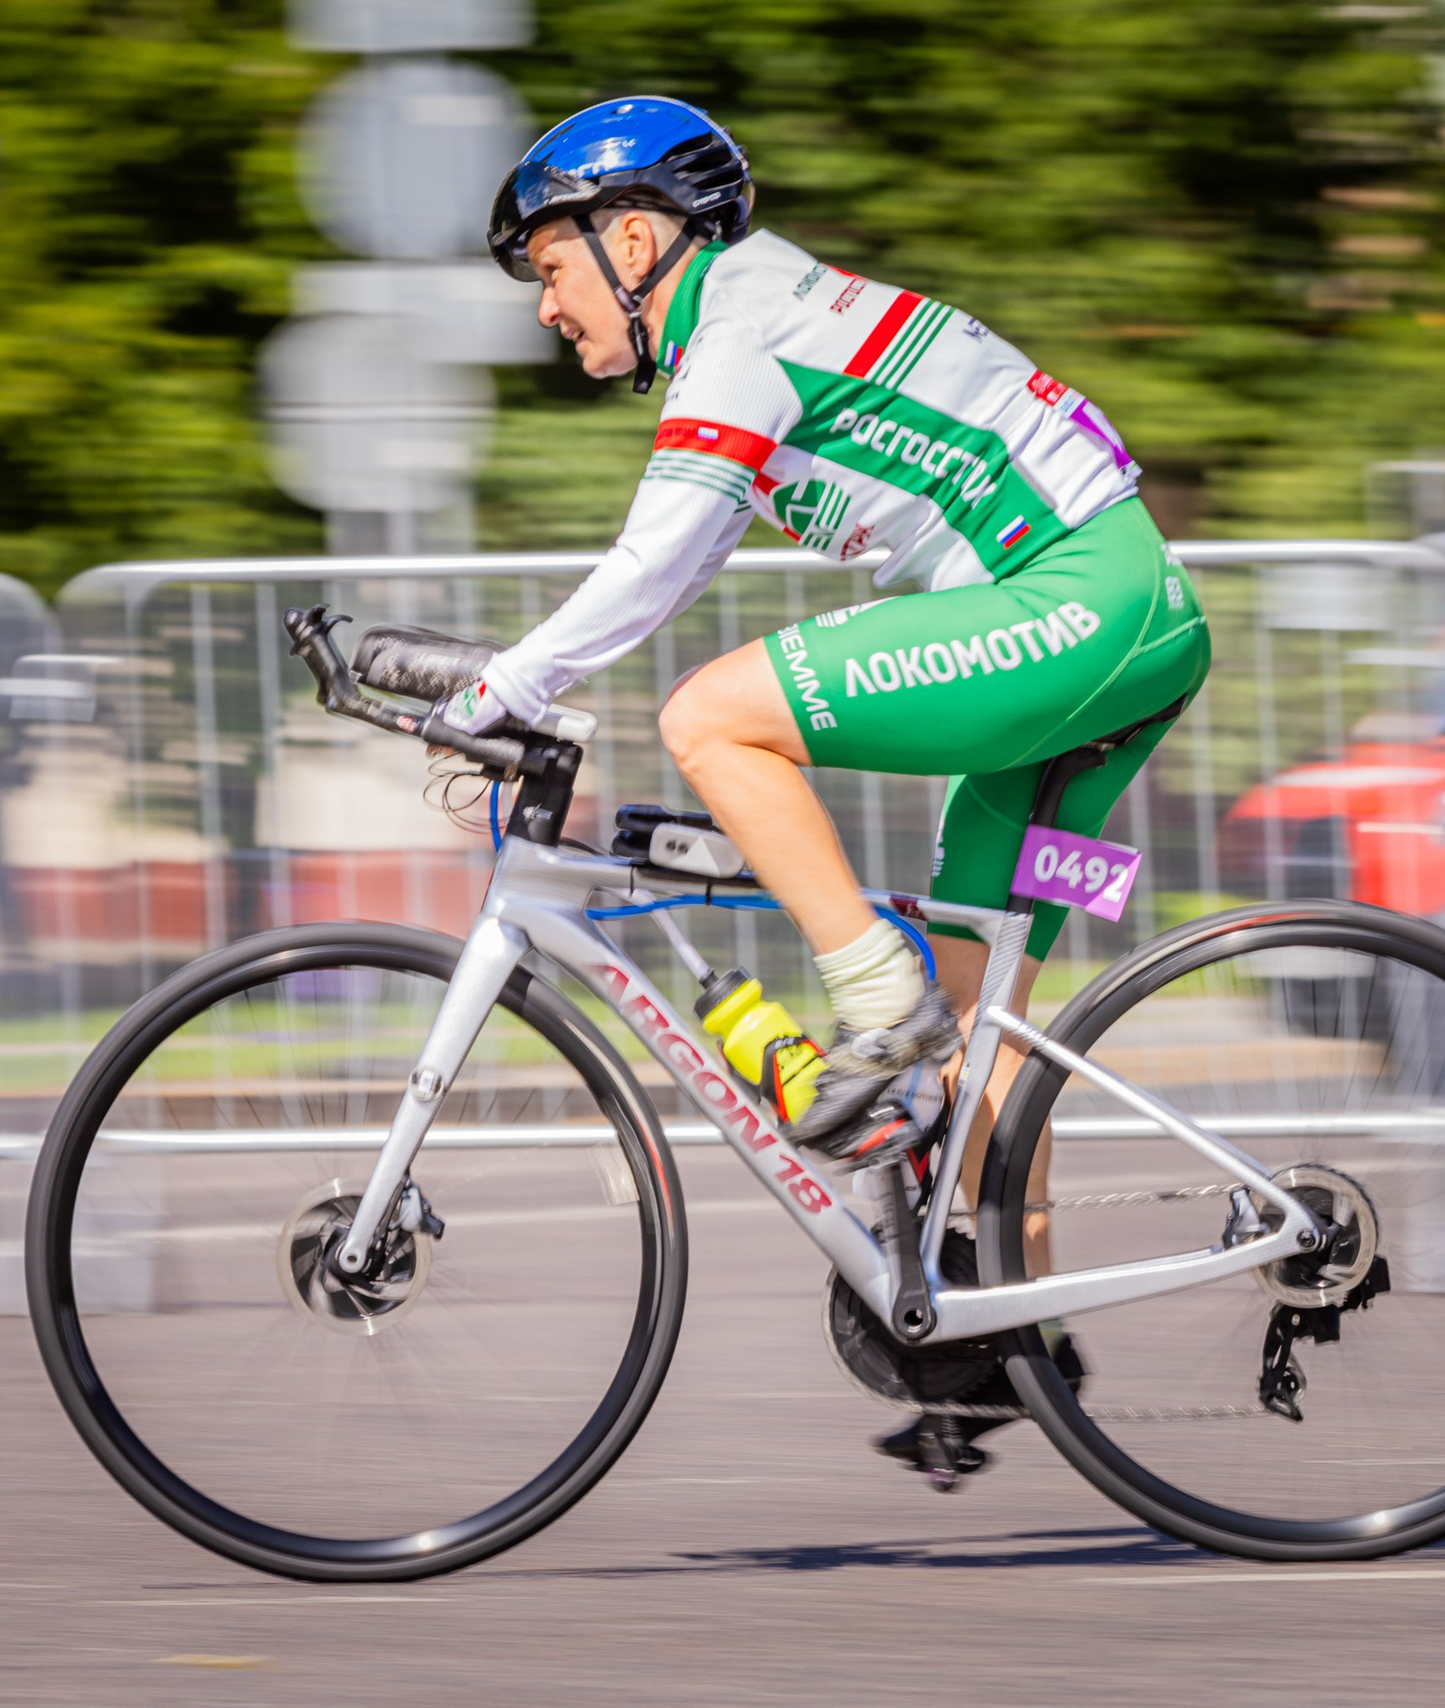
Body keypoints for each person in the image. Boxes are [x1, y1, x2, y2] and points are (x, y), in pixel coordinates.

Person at [456, 97, 1211, 1480]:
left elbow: (653, 569)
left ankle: (872, 998)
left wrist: (496, 688)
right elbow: (671, 560)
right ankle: (999, 1339)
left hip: (1083, 606)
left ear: (635, 235)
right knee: (992, 1047)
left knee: (714, 719)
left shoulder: (741, 333)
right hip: (1115, 615)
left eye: (553, 271)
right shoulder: (752, 323)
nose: (549, 309)